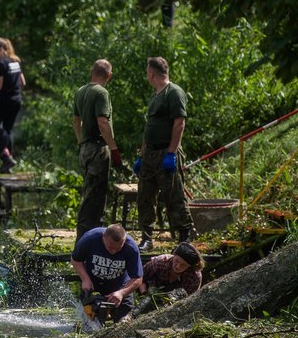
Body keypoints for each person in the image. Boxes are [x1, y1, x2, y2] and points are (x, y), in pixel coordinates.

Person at [133, 57, 197, 251]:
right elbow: (149, 129)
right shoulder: (155, 96)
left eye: (147, 72)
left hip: (166, 152)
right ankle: (147, 238)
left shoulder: (174, 92)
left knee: (173, 195)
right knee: (145, 196)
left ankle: (185, 236)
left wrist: (171, 153)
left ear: (151, 73)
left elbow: (180, 123)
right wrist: (141, 156)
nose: (147, 76)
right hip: (150, 155)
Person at [72, 59, 123, 239]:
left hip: (85, 148)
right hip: (98, 148)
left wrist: (81, 143)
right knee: (96, 197)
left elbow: (76, 121)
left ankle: (86, 235)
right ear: (109, 75)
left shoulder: (80, 91)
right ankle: (89, 237)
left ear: (91, 71)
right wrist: (114, 149)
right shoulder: (101, 92)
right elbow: (103, 122)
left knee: (88, 192)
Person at [71, 223, 143, 322]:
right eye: (110, 247)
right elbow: (76, 260)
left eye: (118, 248)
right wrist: (85, 279)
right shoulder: (89, 239)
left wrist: (122, 293)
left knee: (125, 324)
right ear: (103, 236)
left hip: (120, 287)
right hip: (92, 284)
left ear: (124, 241)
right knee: (87, 323)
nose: (113, 252)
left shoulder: (131, 248)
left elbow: (137, 278)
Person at [0, 37, 24, 173]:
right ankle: (9, 161)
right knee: (7, 130)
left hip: (4, 101)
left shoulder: (0, 64)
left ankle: (5, 159)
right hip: (16, 100)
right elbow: (22, 83)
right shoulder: (15, 62)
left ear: (2, 49)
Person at [140, 241, 204, 296]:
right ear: (174, 255)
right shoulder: (159, 262)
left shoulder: (194, 276)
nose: (178, 266)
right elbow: (140, 277)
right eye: (177, 261)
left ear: (189, 266)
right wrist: (145, 294)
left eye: (183, 265)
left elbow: (191, 298)